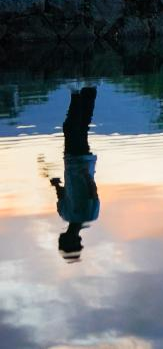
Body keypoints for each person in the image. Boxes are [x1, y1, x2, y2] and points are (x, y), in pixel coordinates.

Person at [50, 86, 100, 261]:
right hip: (81, 164)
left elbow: (63, 195)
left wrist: (56, 184)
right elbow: (93, 193)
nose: (62, 238)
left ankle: (88, 92)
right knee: (72, 129)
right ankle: (77, 93)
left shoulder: (64, 214)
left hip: (71, 162)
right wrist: (86, 174)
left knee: (79, 129)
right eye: (65, 242)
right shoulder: (89, 215)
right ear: (76, 239)